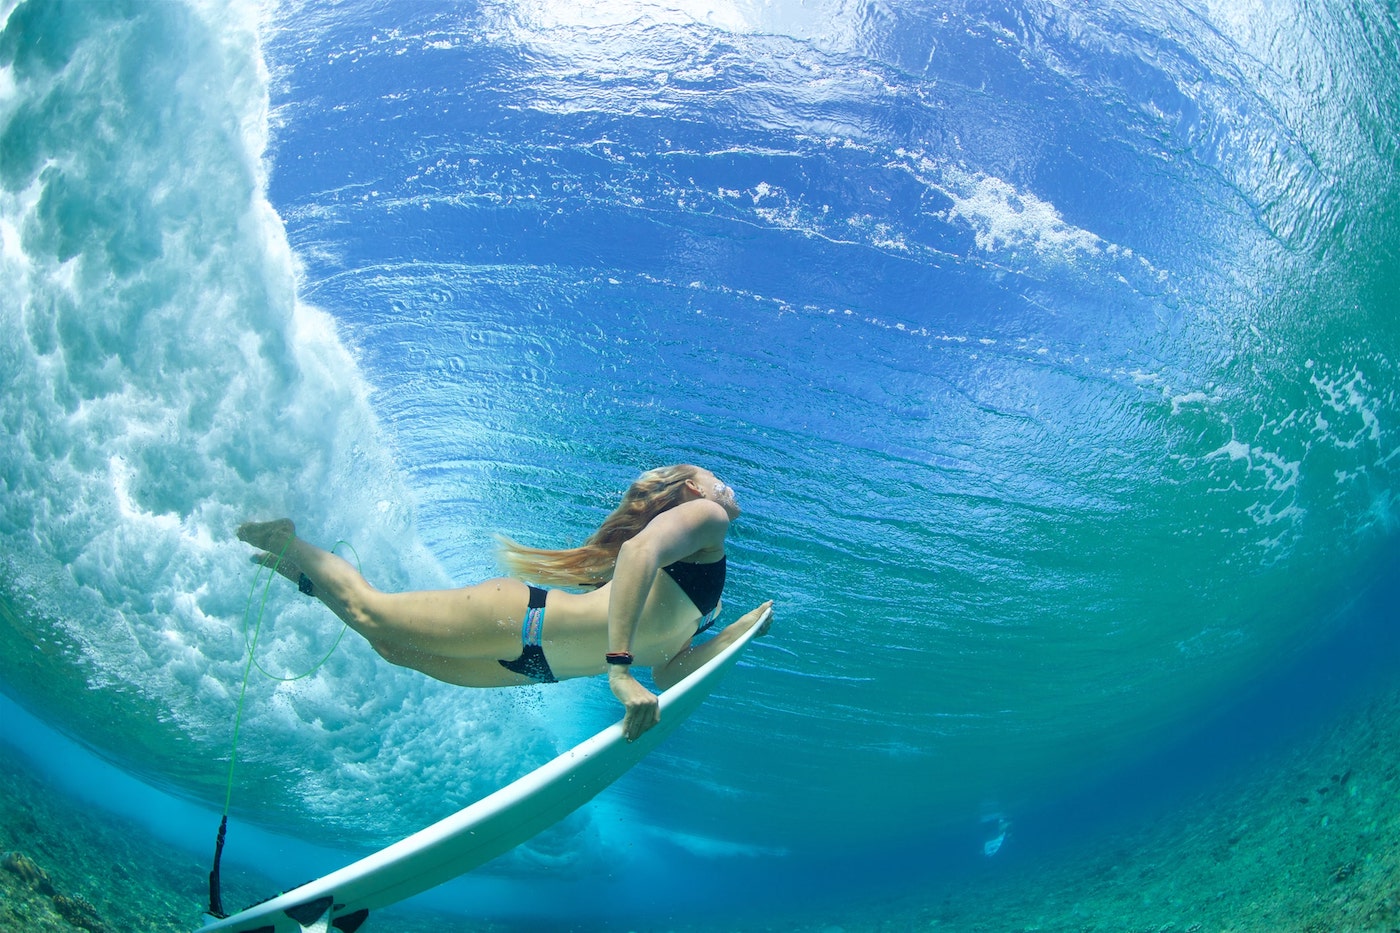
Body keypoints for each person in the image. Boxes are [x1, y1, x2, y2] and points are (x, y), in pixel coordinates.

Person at [237, 465, 773, 741]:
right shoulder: (709, 520)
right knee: (372, 613)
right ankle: (289, 539)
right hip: (522, 620)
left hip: (534, 666)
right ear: (690, 494)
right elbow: (637, 551)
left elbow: (672, 674)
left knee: (389, 646)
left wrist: (736, 634)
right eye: (716, 481)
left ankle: (306, 575)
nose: (727, 490)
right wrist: (618, 670)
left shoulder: (706, 594)